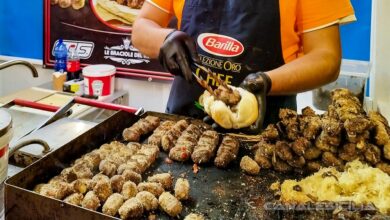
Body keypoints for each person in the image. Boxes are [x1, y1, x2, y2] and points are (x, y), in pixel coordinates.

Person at [132, 0, 355, 132]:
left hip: (265, 134)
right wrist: (165, 39)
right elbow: (141, 28)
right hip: (182, 127)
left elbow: (326, 57)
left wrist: (264, 83)